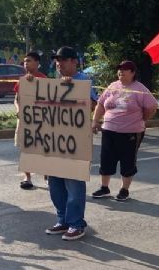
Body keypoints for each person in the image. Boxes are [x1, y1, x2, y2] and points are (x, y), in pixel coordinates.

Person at [23, 47, 98, 241]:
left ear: (74, 61)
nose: (59, 64)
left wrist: (74, 90)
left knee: (73, 183)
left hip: (74, 143)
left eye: (63, 60)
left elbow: (93, 105)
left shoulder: (83, 81)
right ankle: (63, 219)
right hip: (56, 142)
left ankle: (76, 224)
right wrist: (31, 83)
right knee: (55, 183)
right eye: (57, 60)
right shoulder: (55, 82)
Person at [91, 60, 158, 201]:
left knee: (127, 161)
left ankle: (124, 190)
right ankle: (104, 187)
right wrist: (95, 120)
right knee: (106, 159)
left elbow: (152, 106)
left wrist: (143, 118)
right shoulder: (113, 86)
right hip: (109, 130)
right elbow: (101, 104)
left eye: (125, 69)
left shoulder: (139, 89)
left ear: (132, 72)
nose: (121, 72)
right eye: (119, 69)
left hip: (130, 132)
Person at [14, 51, 48, 190]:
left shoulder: (44, 79)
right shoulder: (22, 80)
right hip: (24, 120)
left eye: (29, 61)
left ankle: (47, 175)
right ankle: (27, 177)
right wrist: (18, 110)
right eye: (24, 61)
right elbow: (17, 99)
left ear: (37, 63)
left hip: (40, 121)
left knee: (43, 148)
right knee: (25, 148)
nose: (26, 63)